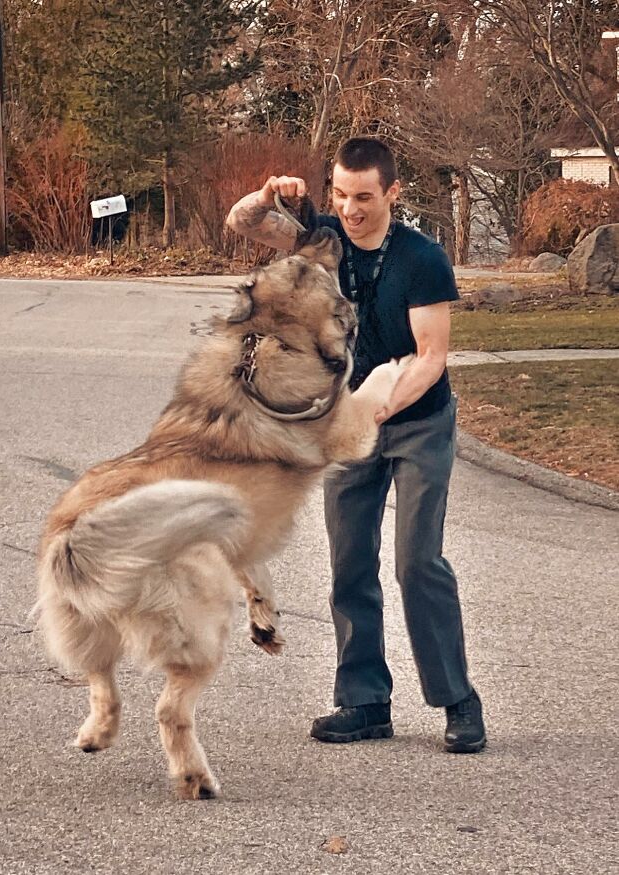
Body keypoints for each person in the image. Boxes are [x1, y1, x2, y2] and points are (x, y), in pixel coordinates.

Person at [225, 137, 486, 753]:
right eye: (340, 194)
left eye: (364, 197)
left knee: (417, 562)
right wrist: (267, 195)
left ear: (392, 192)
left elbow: (432, 357)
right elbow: (242, 224)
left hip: (417, 421)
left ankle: (457, 701)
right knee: (349, 563)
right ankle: (364, 701)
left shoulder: (423, 259)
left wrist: (380, 401)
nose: (350, 209)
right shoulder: (324, 240)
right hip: (348, 424)